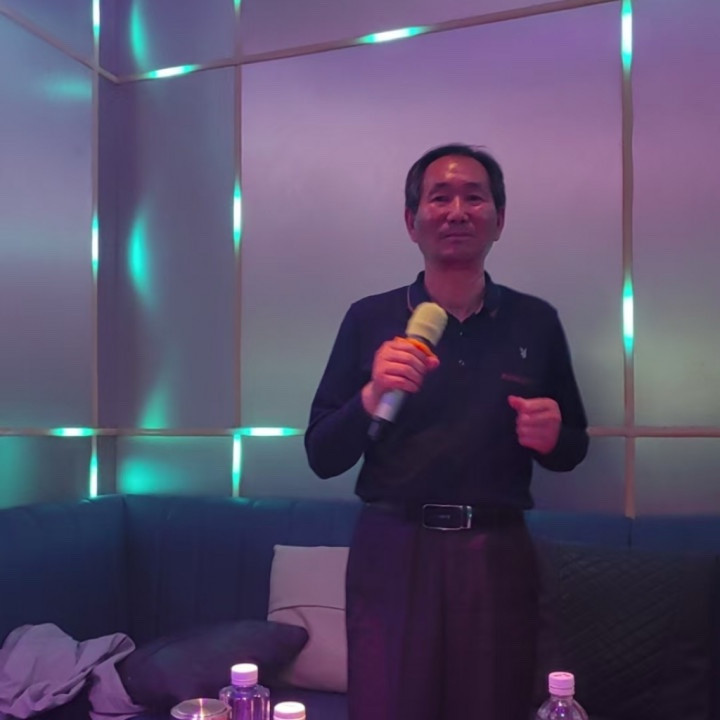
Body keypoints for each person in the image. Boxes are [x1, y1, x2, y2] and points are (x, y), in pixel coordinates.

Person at [304, 143, 589, 720]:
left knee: (493, 706)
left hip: (496, 551)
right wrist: (370, 397)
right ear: (412, 221)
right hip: (393, 547)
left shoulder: (536, 320)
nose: (457, 211)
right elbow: (322, 455)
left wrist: (554, 436)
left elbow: (572, 447)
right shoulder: (369, 318)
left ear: (499, 219)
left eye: (473, 198)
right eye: (439, 198)